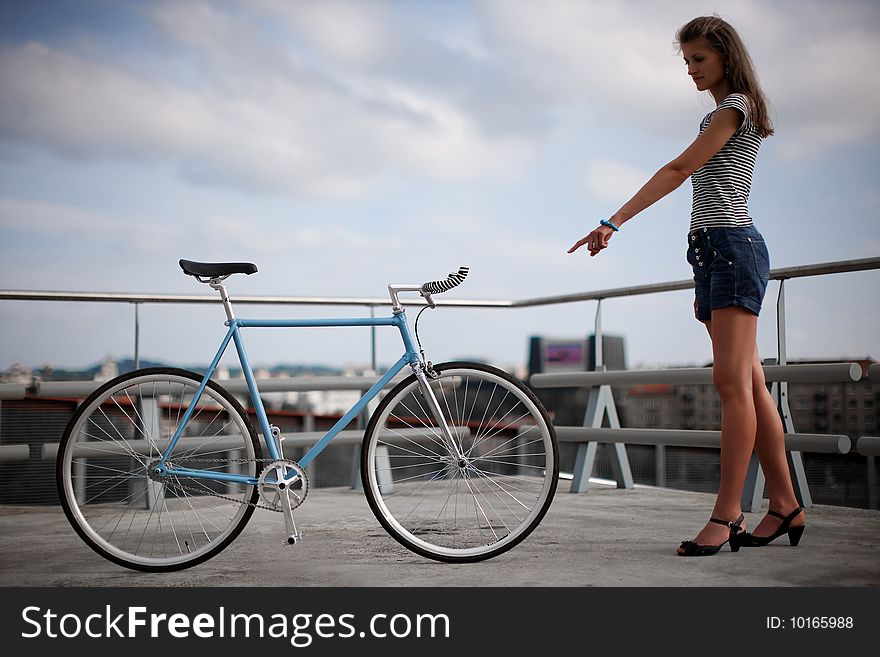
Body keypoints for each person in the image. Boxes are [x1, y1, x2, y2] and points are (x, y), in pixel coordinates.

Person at [568, 15, 806, 556]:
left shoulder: (732, 111)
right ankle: (786, 502)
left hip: (732, 250)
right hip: (713, 257)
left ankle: (727, 515)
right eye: (686, 62)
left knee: (731, 387)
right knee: (749, 384)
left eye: (699, 59)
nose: (691, 71)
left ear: (725, 54)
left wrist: (614, 221)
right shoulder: (723, 114)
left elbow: (678, 171)